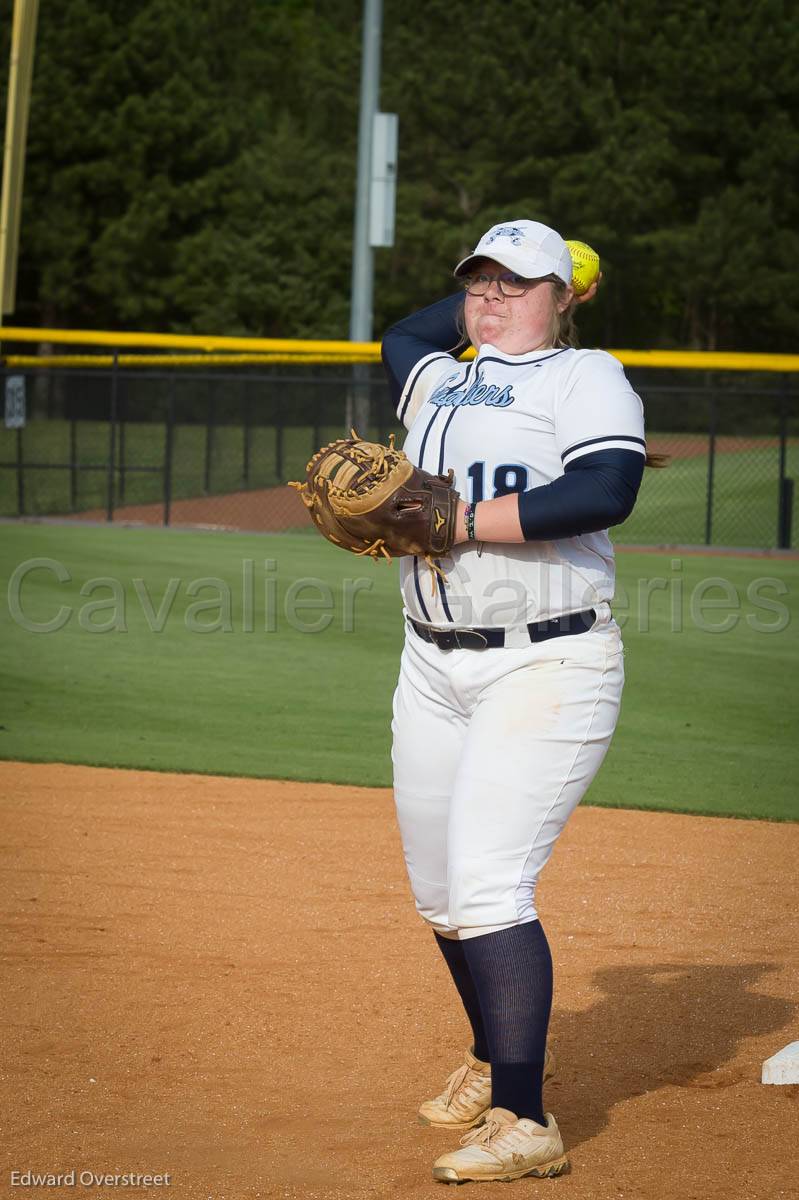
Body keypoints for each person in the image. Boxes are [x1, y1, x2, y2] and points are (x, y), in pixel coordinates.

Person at [380, 220, 648, 1184]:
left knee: (491, 886)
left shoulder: (584, 377)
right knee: (441, 896)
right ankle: (494, 1052)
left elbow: (607, 490)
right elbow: (399, 339)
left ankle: (525, 1120)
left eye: (517, 284)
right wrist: (478, 307)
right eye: (478, 283)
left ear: (564, 298)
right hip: (430, 665)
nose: (491, 300)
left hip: (547, 664)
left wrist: (457, 518)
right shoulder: (441, 375)